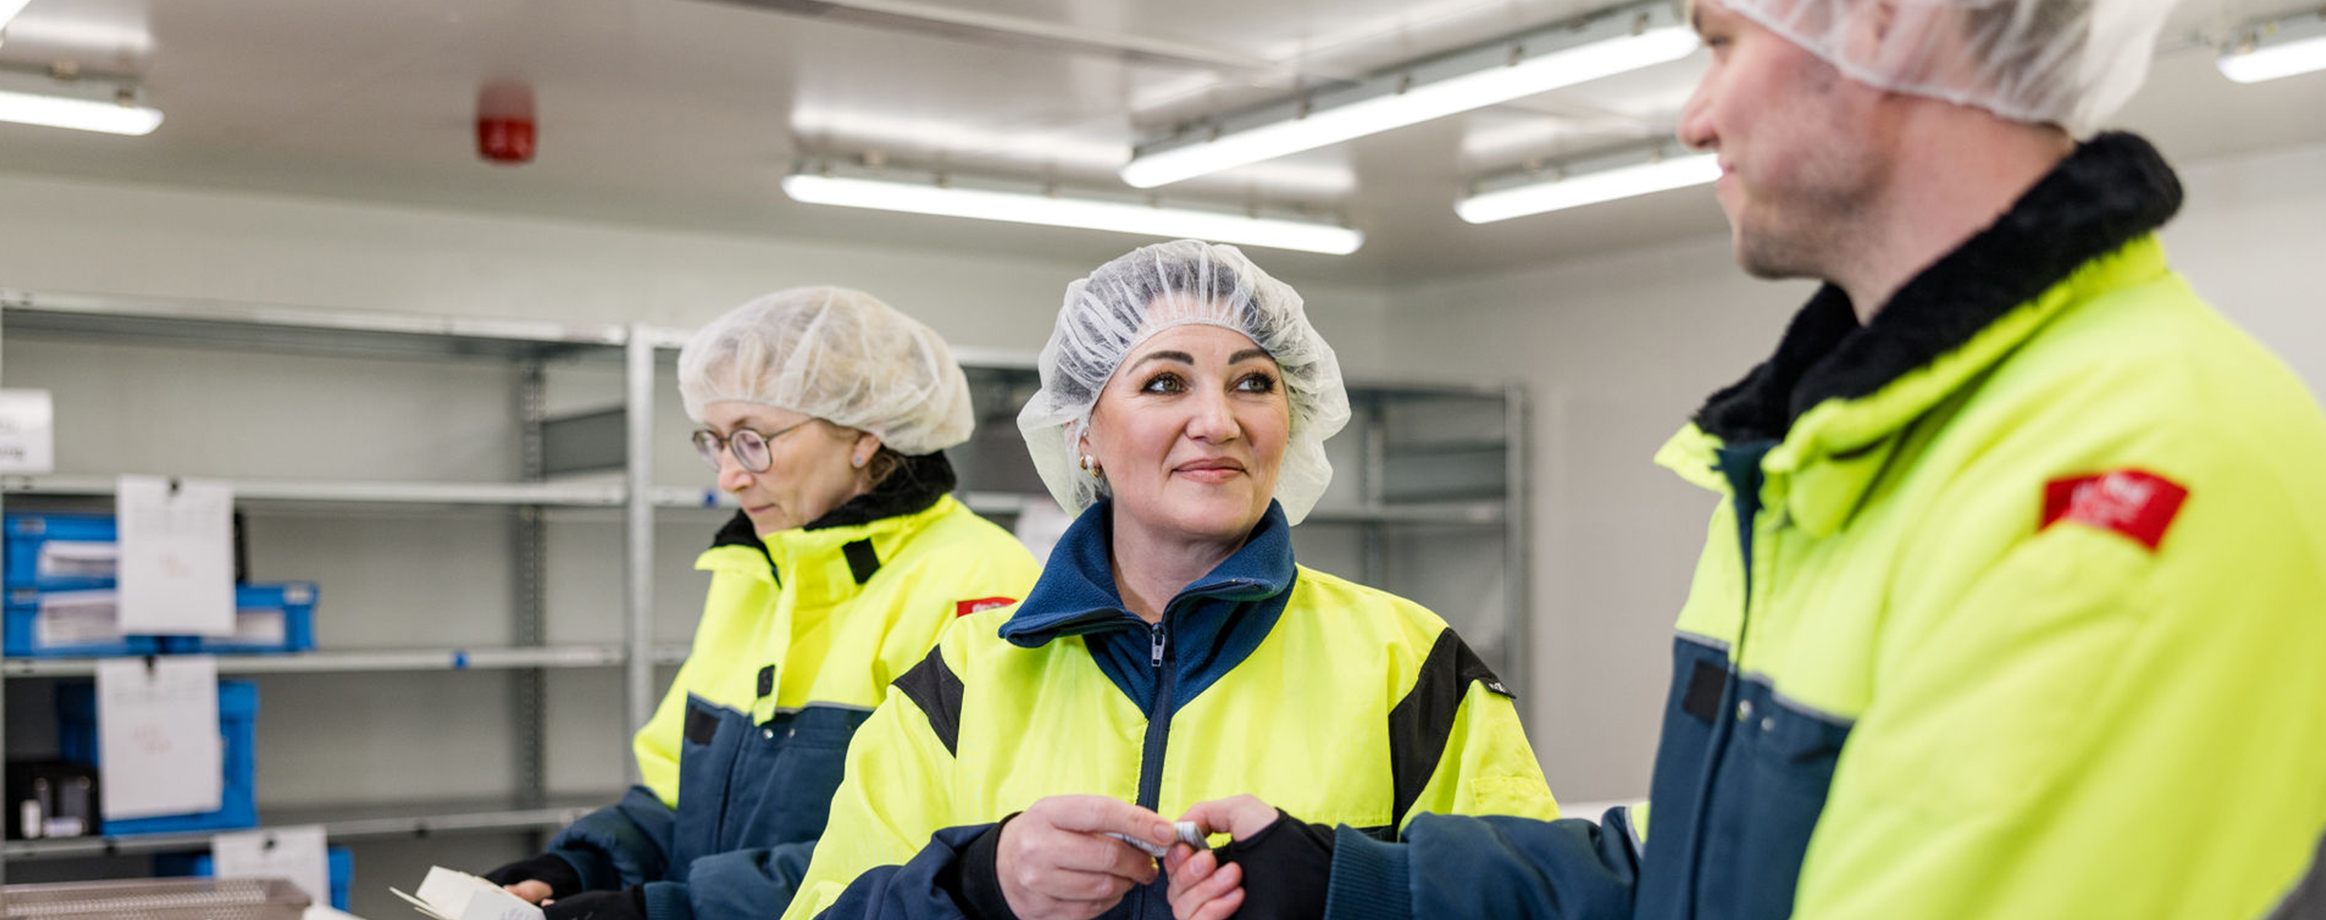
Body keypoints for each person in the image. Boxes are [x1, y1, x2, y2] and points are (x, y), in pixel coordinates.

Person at [1165, 1, 2326, 919]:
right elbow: (1705, 870)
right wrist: (1348, 881)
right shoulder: (1828, 458)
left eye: (1719, 40)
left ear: (1882, 17)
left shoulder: (2122, 475)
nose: (1694, 115)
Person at [778, 240, 1561, 920]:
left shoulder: (1410, 666)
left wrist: (1346, 894)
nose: (1219, 421)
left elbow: (1537, 902)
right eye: (1164, 383)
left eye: (1254, 382)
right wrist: (981, 885)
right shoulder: (963, 678)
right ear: (1082, 431)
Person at [480, 288, 1042, 920]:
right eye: (715, 441)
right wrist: (579, 863)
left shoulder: (976, 581)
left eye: (753, 439)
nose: (729, 475)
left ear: (862, 436)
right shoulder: (759, 569)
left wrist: (667, 911)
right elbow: (677, 795)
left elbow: (934, 848)